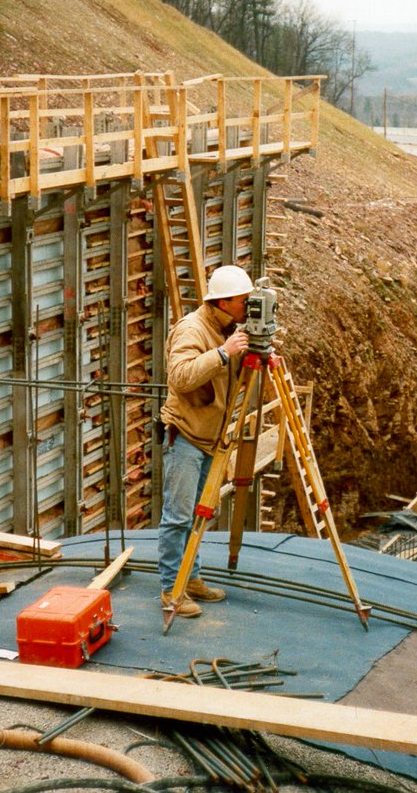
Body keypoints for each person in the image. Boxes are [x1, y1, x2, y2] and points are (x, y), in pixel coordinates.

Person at [157, 264, 253, 618]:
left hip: (210, 437)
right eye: (244, 302)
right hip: (186, 435)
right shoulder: (193, 329)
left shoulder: (229, 328)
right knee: (178, 517)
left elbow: (234, 381)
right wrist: (224, 353)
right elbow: (180, 377)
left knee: (200, 515)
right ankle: (171, 589)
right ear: (224, 302)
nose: (248, 309)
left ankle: (191, 577)